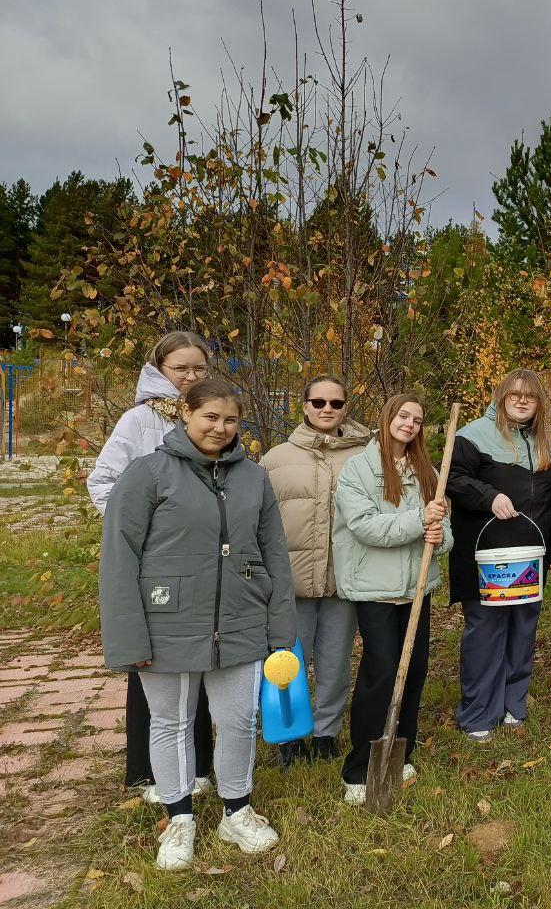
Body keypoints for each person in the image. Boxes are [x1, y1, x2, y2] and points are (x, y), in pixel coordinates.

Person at [99, 378, 295, 870]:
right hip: (166, 622)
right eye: (210, 417)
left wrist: (280, 631)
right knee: (170, 722)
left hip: (242, 621)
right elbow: (119, 558)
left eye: (230, 420)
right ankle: (179, 817)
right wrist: (128, 638)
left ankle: (236, 809)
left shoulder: (253, 477)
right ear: (186, 414)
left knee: (238, 721)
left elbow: (274, 553)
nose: (220, 428)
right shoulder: (148, 473)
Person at [86, 331, 215, 802]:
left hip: (202, 560)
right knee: (156, 663)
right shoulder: (139, 420)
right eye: (180, 369)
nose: (189, 377)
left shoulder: (211, 415)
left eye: (198, 368)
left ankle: (200, 765)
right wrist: (140, 530)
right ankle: (148, 771)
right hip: (156, 563)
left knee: (203, 656)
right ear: (159, 369)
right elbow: (103, 482)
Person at [333, 393, 451, 804]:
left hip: (416, 588)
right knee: (381, 670)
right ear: (387, 418)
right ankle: (358, 767)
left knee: (415, 669)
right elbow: (366, 527)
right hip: (376, 589)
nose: (410, 424)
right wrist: (421, 521)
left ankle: (401, 750)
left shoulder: (426, 469)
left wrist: (439, 537)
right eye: (403, 416)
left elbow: (444, 529)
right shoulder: (358, 469)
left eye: (417, 420)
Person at [260, 375, 371, 768]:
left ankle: (326, 732)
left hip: (343, 579)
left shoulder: (365, 456)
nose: (327, 409)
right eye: (319, 402)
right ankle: (288, 734)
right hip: (290, 582)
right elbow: (259, 522)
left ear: (345, 408)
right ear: (304, 406)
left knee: (335, 661)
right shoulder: (275, 460)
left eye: (336, 403)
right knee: (286, 662)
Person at [447, 370, 551, 742]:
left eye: (530, 396)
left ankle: (513, 703)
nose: (522, 401)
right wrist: (489, 496)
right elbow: (454, 478)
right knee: (486, 631)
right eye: (514, 395)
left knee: (523, 629)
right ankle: (479, 712)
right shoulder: (472, 435)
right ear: (501, 398)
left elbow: (550, 505)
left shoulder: (543, 444)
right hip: (486, 556)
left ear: (539, 402)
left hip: (530, 555)